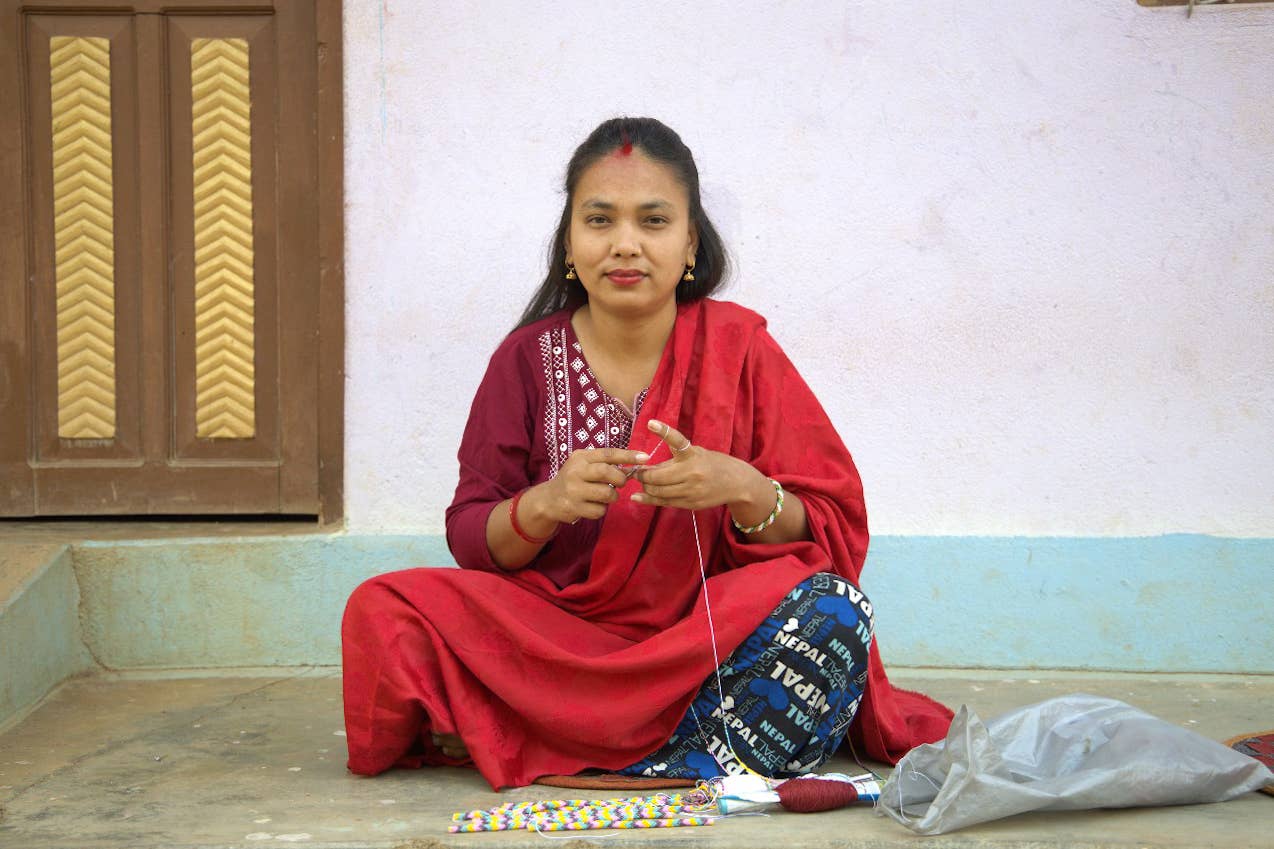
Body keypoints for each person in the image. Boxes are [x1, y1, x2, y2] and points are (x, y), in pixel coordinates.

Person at [341, 117, 952, 790]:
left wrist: (743, 486)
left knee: (833, 609)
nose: (625, 245)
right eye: (600, 221)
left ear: (690, 241)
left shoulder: (740, 349)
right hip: (556, 644)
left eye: (653, 222)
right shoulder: (525, 360)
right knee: (383, 606)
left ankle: (537, 736)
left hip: (701, 640)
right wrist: (544, 505)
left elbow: (831, 527)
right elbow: (470, 537)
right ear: (569, 242)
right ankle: (695, 748)